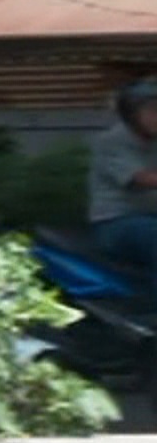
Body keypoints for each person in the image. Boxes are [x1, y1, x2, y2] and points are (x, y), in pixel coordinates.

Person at [88, 77, 157, 299]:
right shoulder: (112, 141)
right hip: (116, 222)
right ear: (132, 114)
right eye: (152, 110)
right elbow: (141, 178)